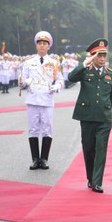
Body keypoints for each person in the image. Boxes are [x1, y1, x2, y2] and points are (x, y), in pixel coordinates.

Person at [68, 38, 112, 193]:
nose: (102, 59)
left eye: (104, 55)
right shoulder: (84, 70)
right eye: (99, 55)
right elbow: (71, 78)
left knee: (101, 149)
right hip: (87, 116)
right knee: (88, 148)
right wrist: (85, 63)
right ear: (92, 56)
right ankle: (91, 178)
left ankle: (97, 182)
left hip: (104, 118)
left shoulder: (110, 75)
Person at [20, 31, 64, 170]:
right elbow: (22, 81)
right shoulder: (28, 63)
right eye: (40, 43)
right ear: (36, 46)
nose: (42, 46)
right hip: (33, 99)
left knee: (47, 129)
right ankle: (35, 159)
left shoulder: (54, 63)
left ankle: (44, 159)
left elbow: (61, 80)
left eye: (45, 44)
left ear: (49, 46)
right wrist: (25, 81)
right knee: (33, 129)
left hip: (47, 98)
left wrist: (55, 86)